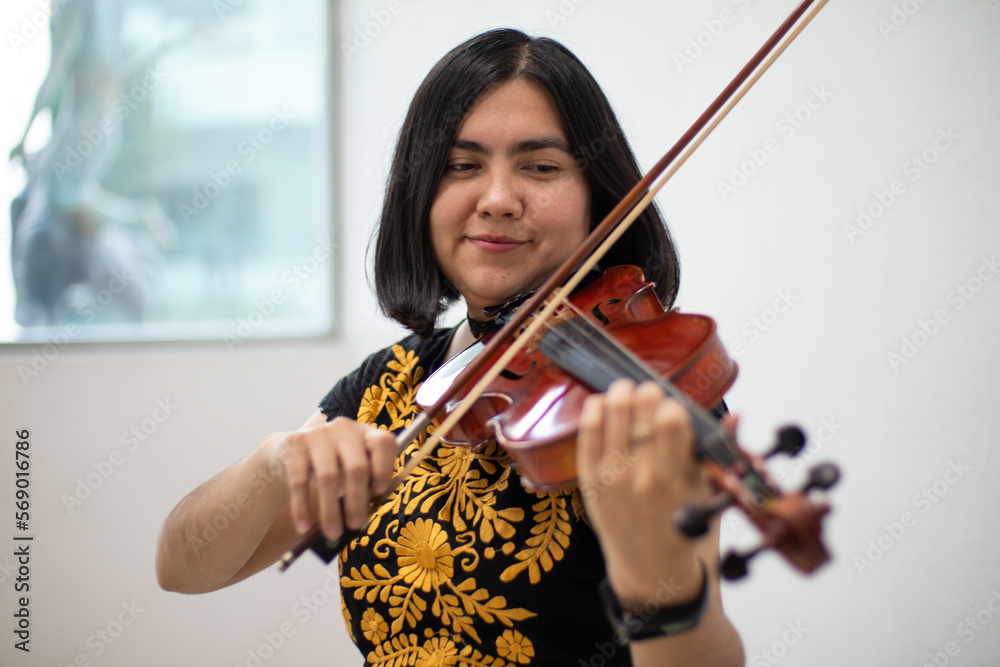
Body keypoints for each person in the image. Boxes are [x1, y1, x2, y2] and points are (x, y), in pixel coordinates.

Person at [156, 29, 745, 666]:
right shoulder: (387, 385)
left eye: (541, 167)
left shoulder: (638, 392)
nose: (498, 200)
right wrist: (277, 459)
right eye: (462, 166)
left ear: (597, 198)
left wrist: (660, 581)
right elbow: (184, 569)